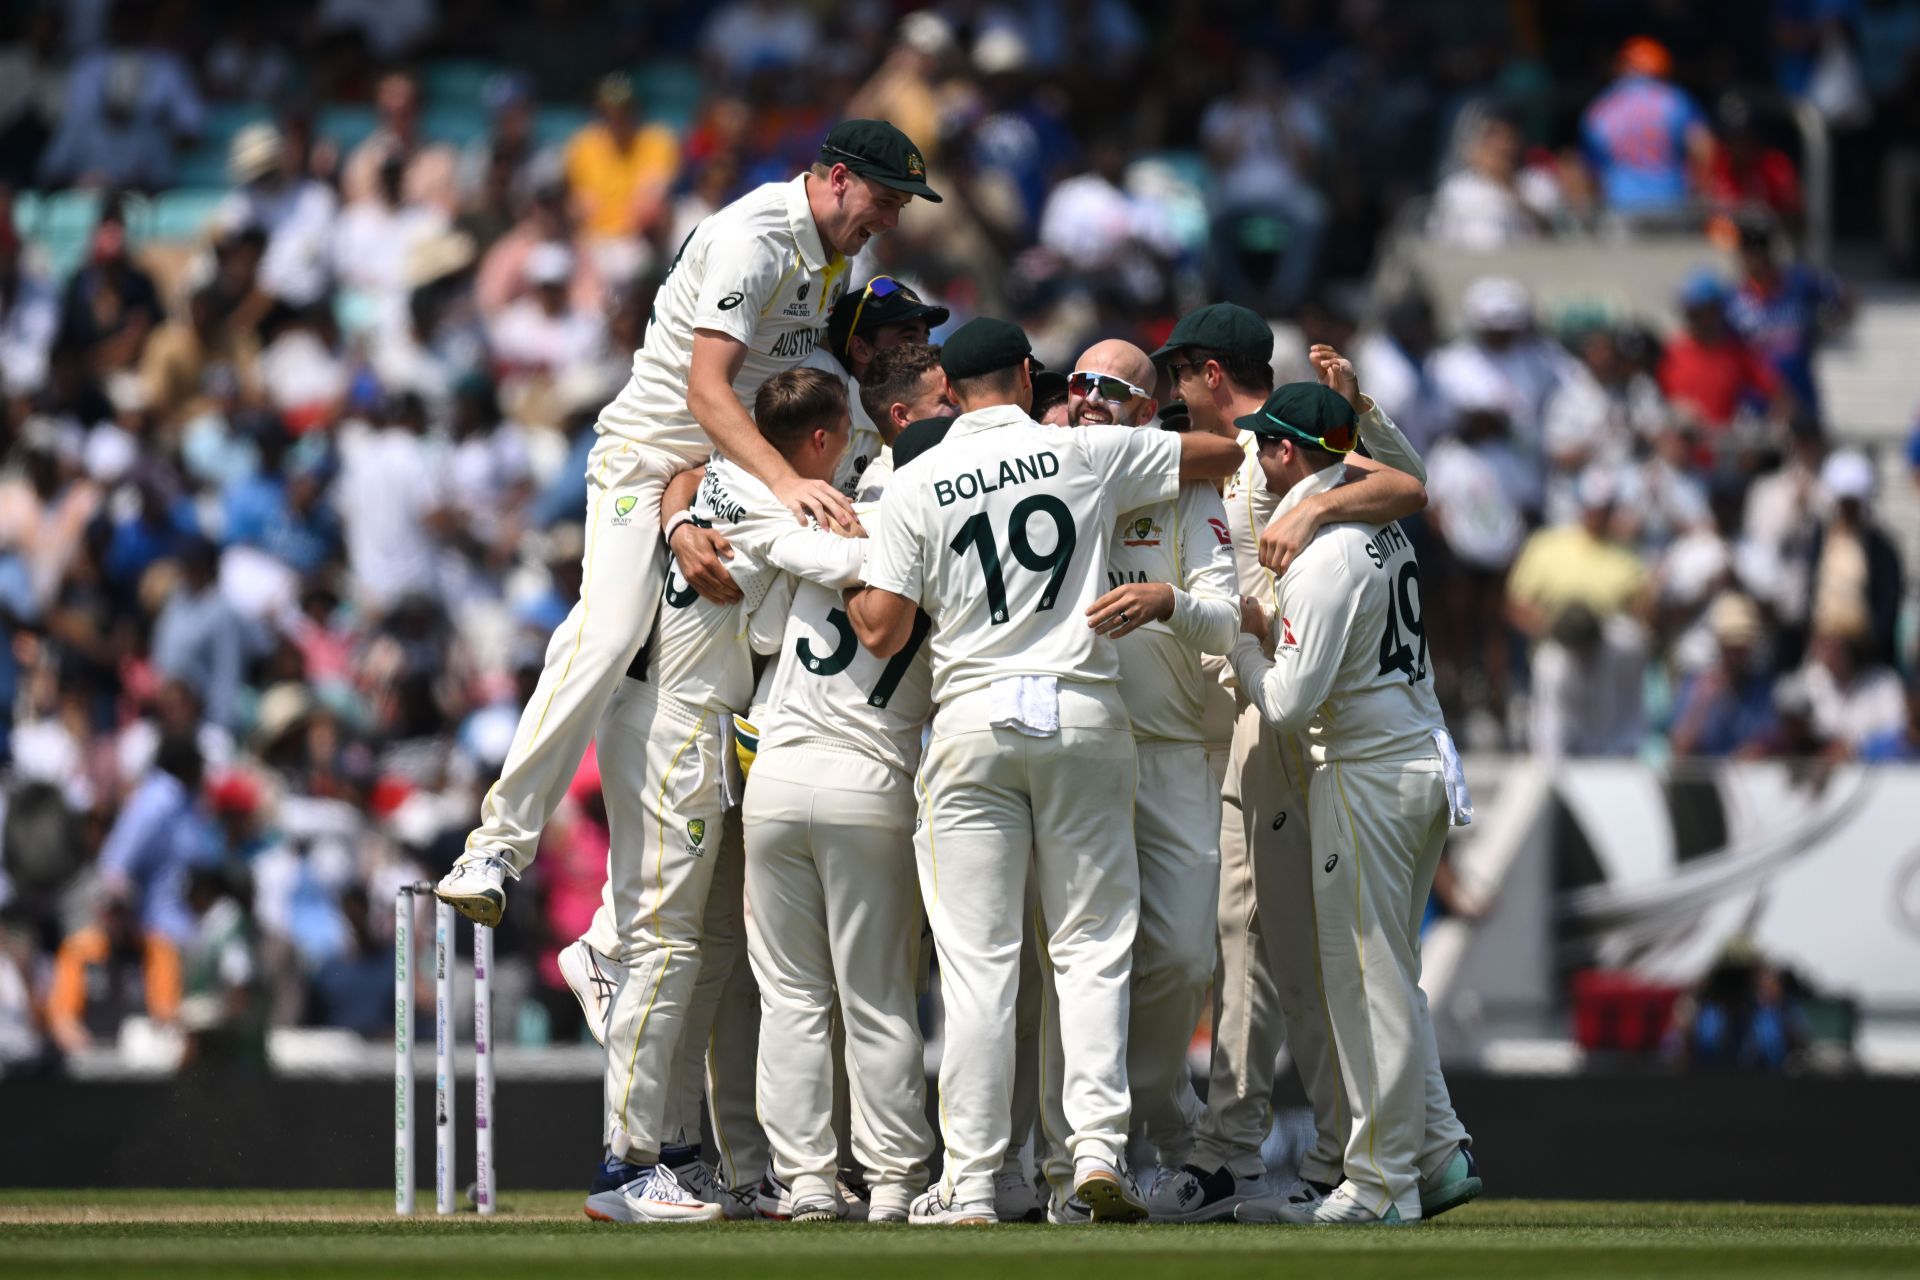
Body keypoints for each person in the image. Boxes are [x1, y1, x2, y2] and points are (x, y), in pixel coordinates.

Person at [436, 120, 942, 929]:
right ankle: (497, 845)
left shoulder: (846, 255)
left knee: (755, 665)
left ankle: (609, 938)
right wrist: (782, 485)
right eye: (884, 198)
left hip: (736, 472)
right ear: (838, 178)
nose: (891, 218)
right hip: (653, 454)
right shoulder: (754, 238)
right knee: (605, 635)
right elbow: (707, 393)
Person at [847, 317, 1243, 1223]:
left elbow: (879, 629)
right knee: (1092, 951)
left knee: (981, 962)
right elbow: (1220, 455)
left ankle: (976, 1180)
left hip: (975, 720)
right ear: (1028, 377)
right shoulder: (1086, 452)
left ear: (951, 383)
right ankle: (1097, 1150)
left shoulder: (917, 477)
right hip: (1083, 713)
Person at [1151, 306, 1428, 1223]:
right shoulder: (1240, 450)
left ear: (1210, 372)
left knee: (1313, 948)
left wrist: (1324, 494)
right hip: (1266, 717)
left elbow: (1407, 491)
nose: (1170, 392)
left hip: (1295, 720)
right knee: (1256, 934)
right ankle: (1294, 1149)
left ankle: (1346, 1159)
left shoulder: (1279, 458)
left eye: (1177, 374)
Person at [579, 369, 875, 1225]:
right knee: (668, 947)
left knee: (701, 946)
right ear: (821, 440)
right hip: (680, 721)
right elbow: (827, 560)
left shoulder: (719, 473)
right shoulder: (763, 495)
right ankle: (623, 1167)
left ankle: (672, 1151)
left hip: (679, 717)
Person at [1225, 381, 1478, 1225]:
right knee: (1390, 980)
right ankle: (1434, 1154)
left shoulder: (1327, 554)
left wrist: (1243, 639)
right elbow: (1403, 473)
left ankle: (1378, 1185)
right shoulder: (1380, 526)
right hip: (1416, 762)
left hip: (1368, 774)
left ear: (1288, 453)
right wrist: (1365, 409)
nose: (1258, 459)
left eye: (1267, 444)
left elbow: (1291, 704)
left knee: (1369, 986)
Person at [1025, 339, 1237, 1220]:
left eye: (1108, 388)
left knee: (1186, 954)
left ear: (1148, 412)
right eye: (1076, 386)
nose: (1086, 400)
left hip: (1171, 750)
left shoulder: (1186, 493)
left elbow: (1227, 620)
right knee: (1069, 961)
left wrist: (1168, 602)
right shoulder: (1052, 473)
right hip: (1073, 742)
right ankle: (1071, 1164)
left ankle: (1155, 1110)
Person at [739, 402, 947, 1226]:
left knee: (791, 997)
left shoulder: (822, 530)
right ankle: (894, 1181)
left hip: (779, 782)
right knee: (879, 996)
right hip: (872, 784)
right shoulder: (947, 561)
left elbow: (762, 589)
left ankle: (808, 1182)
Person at [805, 275, 949, 499]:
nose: (924, 350)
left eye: (925, 338)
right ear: (861, 349)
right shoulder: (822, 419)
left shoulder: (939, 407)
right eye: (909, 338)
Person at [1579, 37, 1712, 215]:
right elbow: (1703, 148)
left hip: (1621, 204)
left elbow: (1590, 170)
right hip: (1671, 201)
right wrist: (1697, 189)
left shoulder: (1601, 109)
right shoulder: (1676, 100)